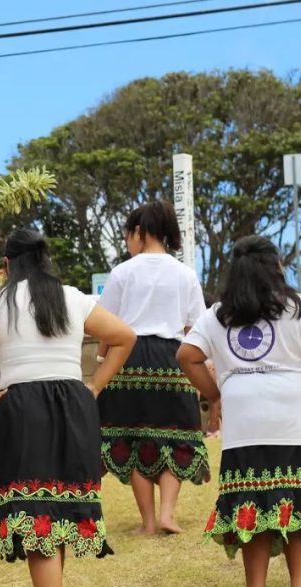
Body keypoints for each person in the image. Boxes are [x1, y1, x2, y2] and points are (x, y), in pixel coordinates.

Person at [0, 229, 135, 587]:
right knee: (59, 508)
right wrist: (94, 386)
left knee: (37, 516)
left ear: (11, 262)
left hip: (23, 407)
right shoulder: (71, 296)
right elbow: (125, 336)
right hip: (73, 403)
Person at [177, 235, 301, 587]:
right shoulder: (298, 308)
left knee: (251, 500)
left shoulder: (218, 314)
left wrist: (216, 393)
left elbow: (187, 356)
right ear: (276, 267)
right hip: (294, 414)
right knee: (298, 500)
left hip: (245, 417)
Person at [96, 201, 209, 535]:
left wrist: (102, 363)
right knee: (176, 433)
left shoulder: (123, 272)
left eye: (129, 234)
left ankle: (147, 522)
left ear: (140, 233)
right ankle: (167, 514)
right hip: (173, 359)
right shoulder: (185, 274)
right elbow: (197, 327)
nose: (129, 242)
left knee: (133, 437)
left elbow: (105, 326)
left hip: (127, 359)